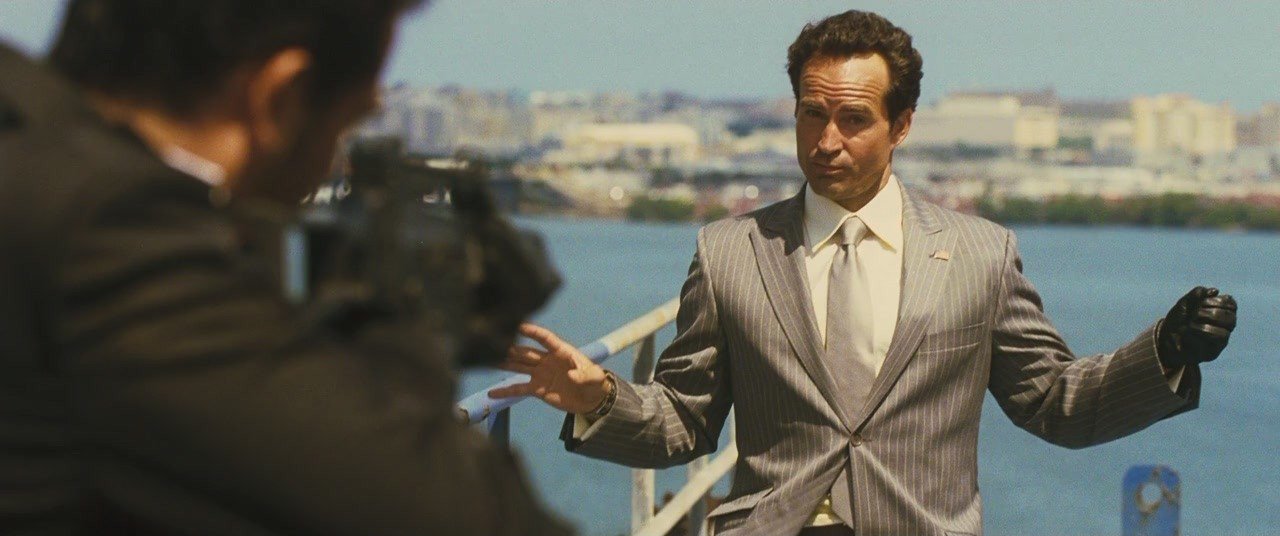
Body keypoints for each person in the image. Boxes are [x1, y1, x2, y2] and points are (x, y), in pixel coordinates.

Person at [491, 10, 1237, 536]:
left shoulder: (980, 254)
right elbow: (685, 422)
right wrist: (597, 399)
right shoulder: (728, 252)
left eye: (852, 119)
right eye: (810, 114)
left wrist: (1164, 352)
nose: (826, 140)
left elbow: (1054, 403)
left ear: (901, 125)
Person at [0, 1, 571, 534]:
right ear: (283, 96)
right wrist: (404, 320)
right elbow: (450, 512)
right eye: (344, 122)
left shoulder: (30, 155)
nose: (331, 160)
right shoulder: (111, 240)